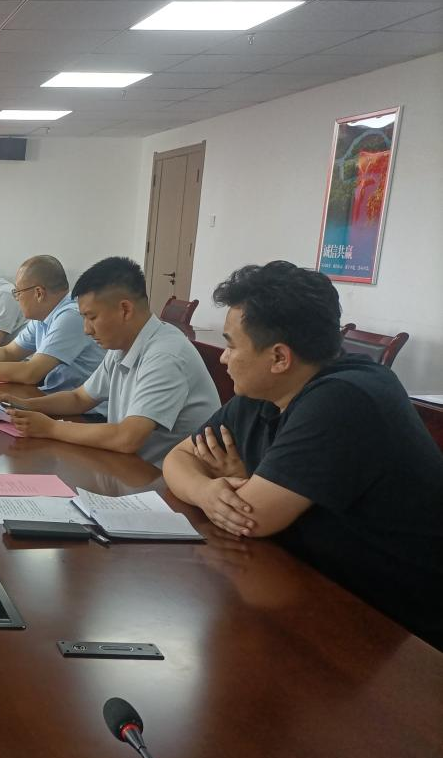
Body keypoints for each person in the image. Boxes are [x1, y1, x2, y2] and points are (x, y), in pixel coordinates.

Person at [162, 261, 442, 647]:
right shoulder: (262, 391)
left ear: (279, 357)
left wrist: (239, 486)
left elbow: (250, 517)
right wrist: (208, 491)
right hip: (316, 586)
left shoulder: (346, 398)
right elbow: (177, 459)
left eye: (231, 345)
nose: (223, 358)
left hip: (400, 629)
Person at [2, 256, 219, 466]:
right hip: (129, 466)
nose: (86, 330)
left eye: (92, 317)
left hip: (161, 478)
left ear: (125, 309)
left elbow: (128, 437)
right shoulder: (122, 345)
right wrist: (27, 406)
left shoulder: (166, 354)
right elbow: (80, 398)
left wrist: (50, 428)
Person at [0, 255, 104, 398]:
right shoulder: (43, 314)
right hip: (53, 397)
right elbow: (9, 352)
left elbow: (31, 372)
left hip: (84, 412)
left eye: (18, 292)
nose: (16, 298)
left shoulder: (70, 316)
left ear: (39, 293)